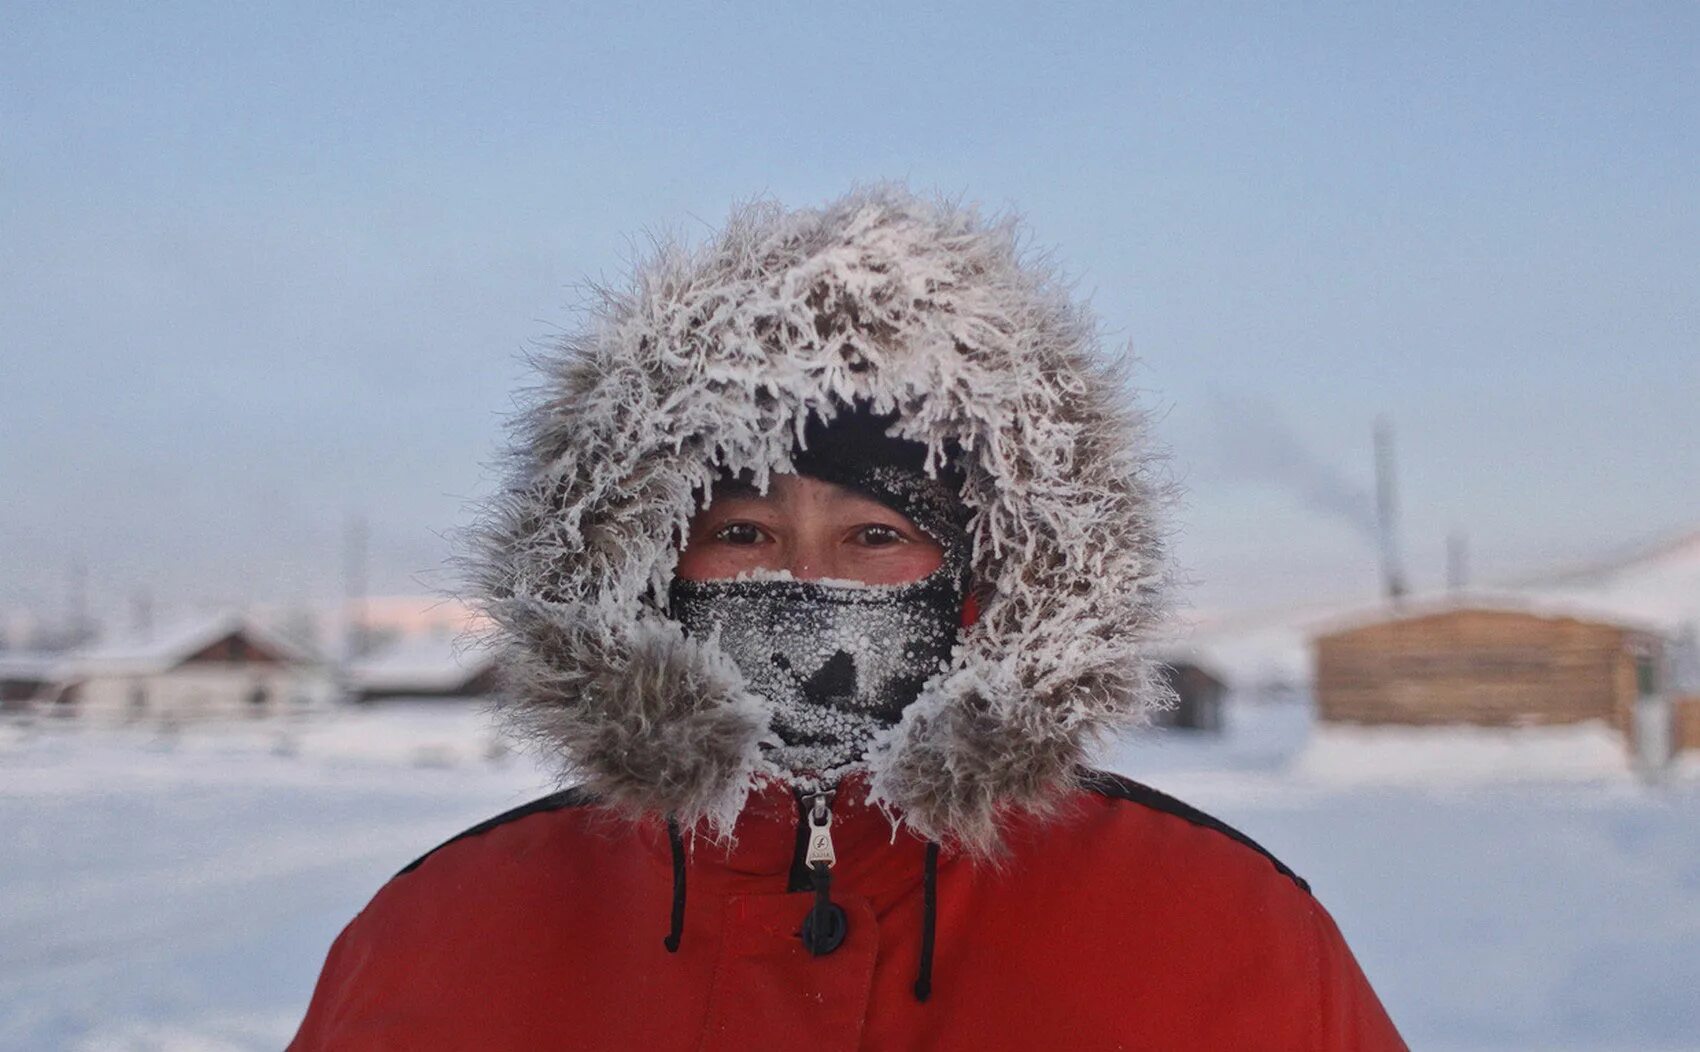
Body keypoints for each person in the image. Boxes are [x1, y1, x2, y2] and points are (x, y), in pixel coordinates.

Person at [288, 186, 1406, 1049]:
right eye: (741, 533)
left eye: (874, 535)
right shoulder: (440, 936)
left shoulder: (1222, 930)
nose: (803, 585)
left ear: (982, 579)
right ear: (644, 573)